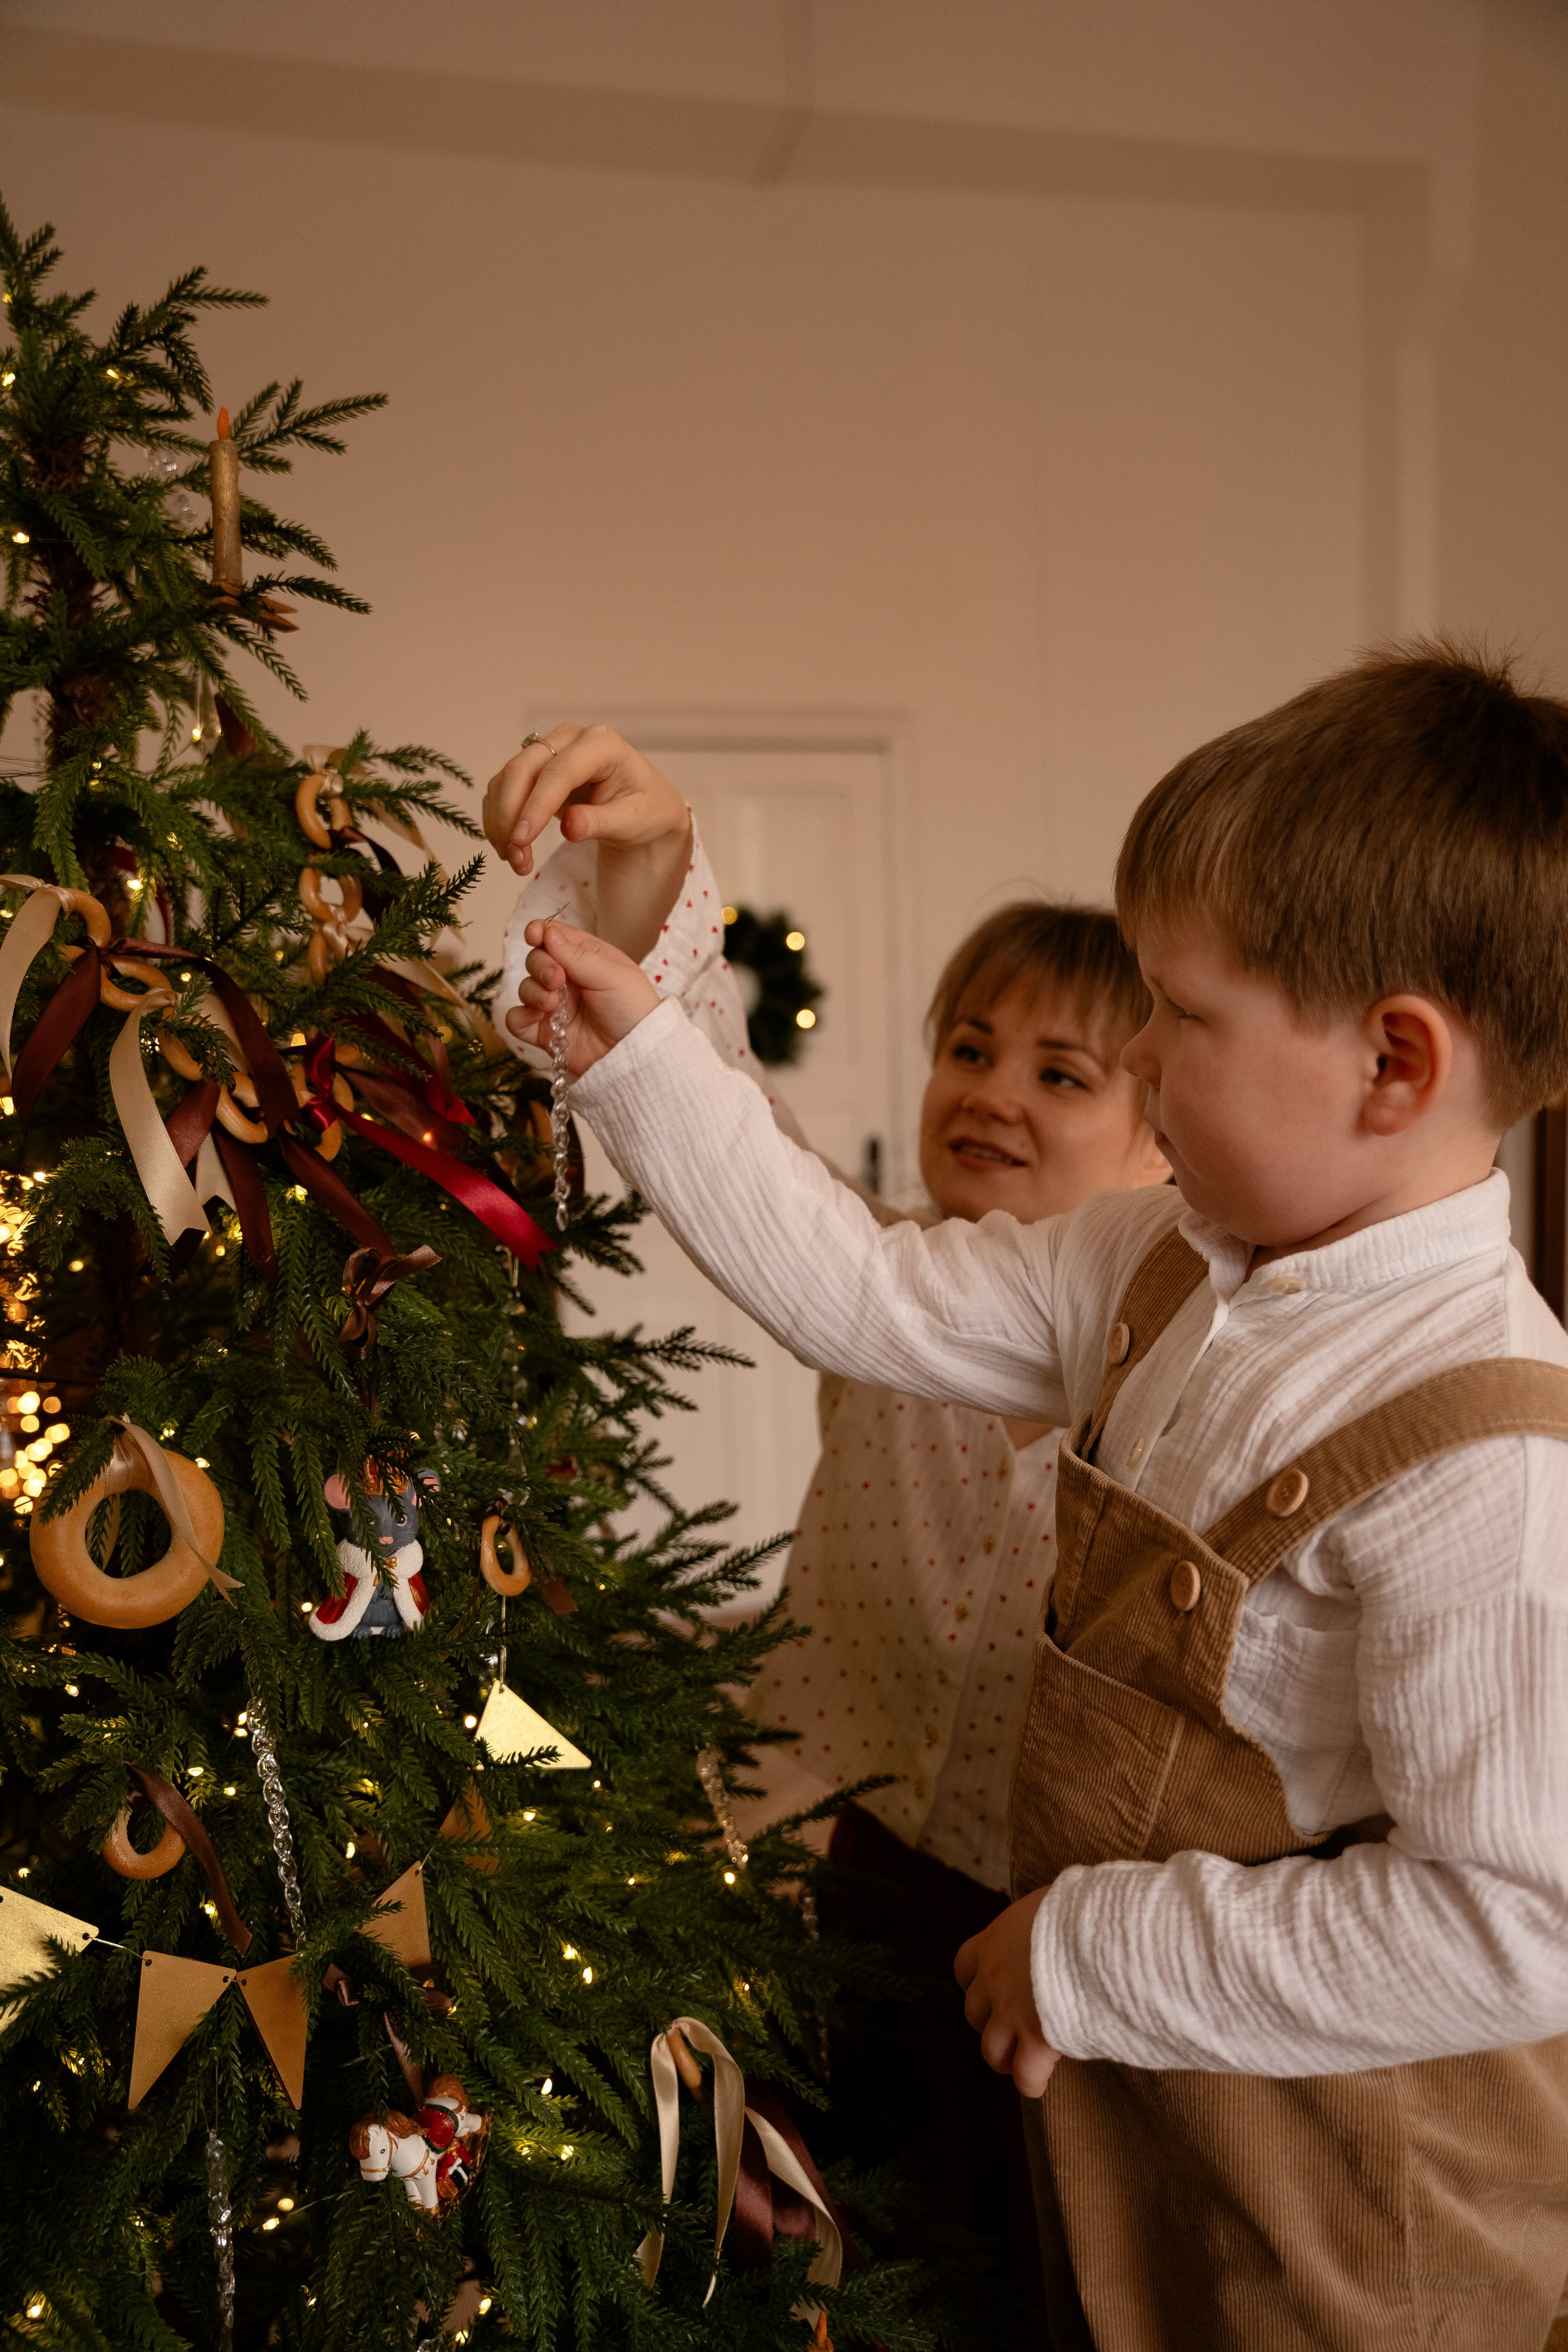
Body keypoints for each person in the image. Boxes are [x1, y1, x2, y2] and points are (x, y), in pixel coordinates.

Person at [499, 646, 1568, 2351]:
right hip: (1130, 2123)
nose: (1138, 1047)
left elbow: (1518, 1923)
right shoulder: (1160, 1261)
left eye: (1180, 1015)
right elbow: (859, 1292)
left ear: (1392, 1066)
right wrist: (646, 1049)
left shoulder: (1490, 1459)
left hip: (1350, 2207)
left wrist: (1099, 1952)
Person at [484, 742, 1168, 2288]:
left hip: (1047, 1929)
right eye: (968, 1050)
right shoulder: (879, 1281)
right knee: (829, 2233)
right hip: (835, 1862)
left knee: (1021, 2259)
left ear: (1163, 1140)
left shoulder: (1178, 1372)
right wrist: (654, 876)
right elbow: (718, 1119)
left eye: (1059, 1074)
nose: (991, 1094)